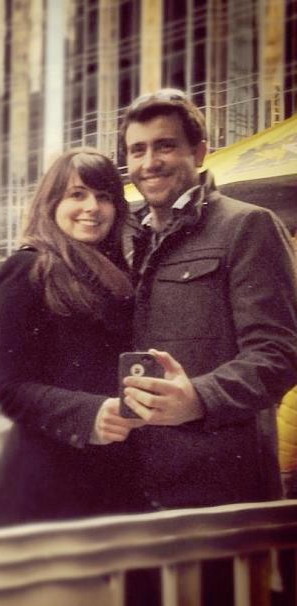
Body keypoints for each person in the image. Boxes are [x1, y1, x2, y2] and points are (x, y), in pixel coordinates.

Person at [119, 89, 297, 605]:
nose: (149, 162)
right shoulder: (125, 239)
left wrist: (199, 398)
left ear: (200, 152)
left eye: (165, 146)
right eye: (137, 150)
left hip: (218, 496)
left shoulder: (247, 225)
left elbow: (279, 354)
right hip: (136, 491)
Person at [0, 147, 144, 528]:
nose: (92, 207)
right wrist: (89, 415)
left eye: (104, 196)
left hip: (110, 483)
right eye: (77, 194)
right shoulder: (26, 268)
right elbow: (11, 389)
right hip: (47, 489)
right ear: (52, 202)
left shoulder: (119, 273)